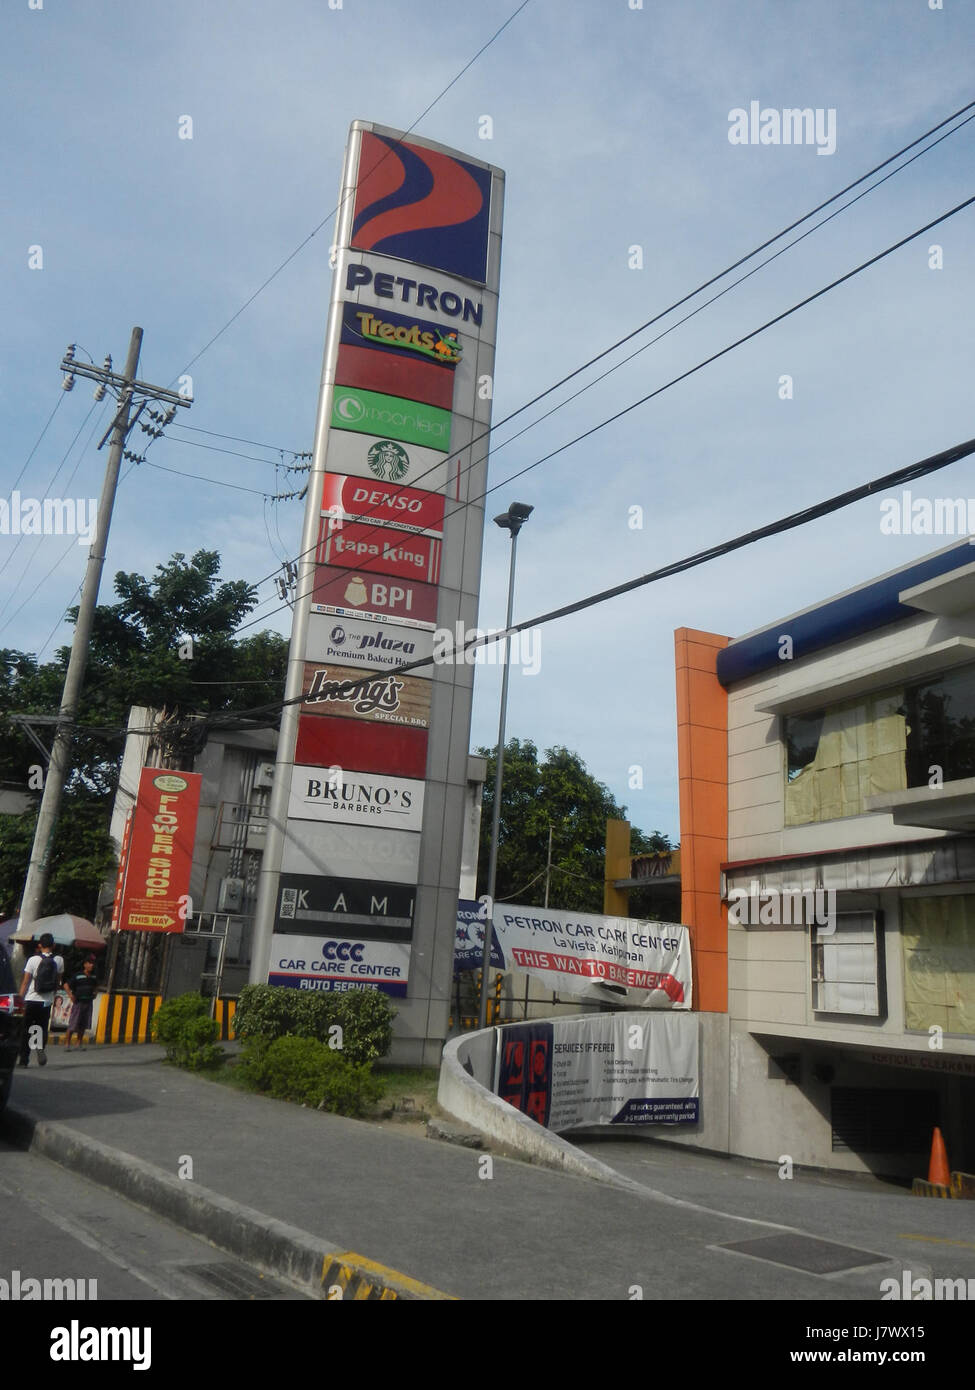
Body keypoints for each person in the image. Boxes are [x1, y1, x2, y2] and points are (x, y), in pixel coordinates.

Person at [18, 933, 64, 1067]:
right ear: (53, 945)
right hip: (46, 1001)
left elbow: (25, 982)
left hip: (31, 999)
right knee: (41, 1027)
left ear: (39, 945)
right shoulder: (59, 960)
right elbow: (58, 981)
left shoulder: (32, 960)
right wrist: (53, 996)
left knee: (26, 1029)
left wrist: (20, 999)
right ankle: (39, 1047)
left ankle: (23, 1060)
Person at [64, 955, 98, 1051]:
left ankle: (79, 1043)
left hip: (88, 1002)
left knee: (83, 1024)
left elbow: (96, 986)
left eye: (93, 964)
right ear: (85, 965)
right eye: (90, 963)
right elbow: (66, 985)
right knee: (73, 1023)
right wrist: (71, 995)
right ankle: (67, 1044)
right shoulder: (77, 975)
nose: (92, 965)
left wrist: (95, 993)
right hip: (78, 1002)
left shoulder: (93, 977)